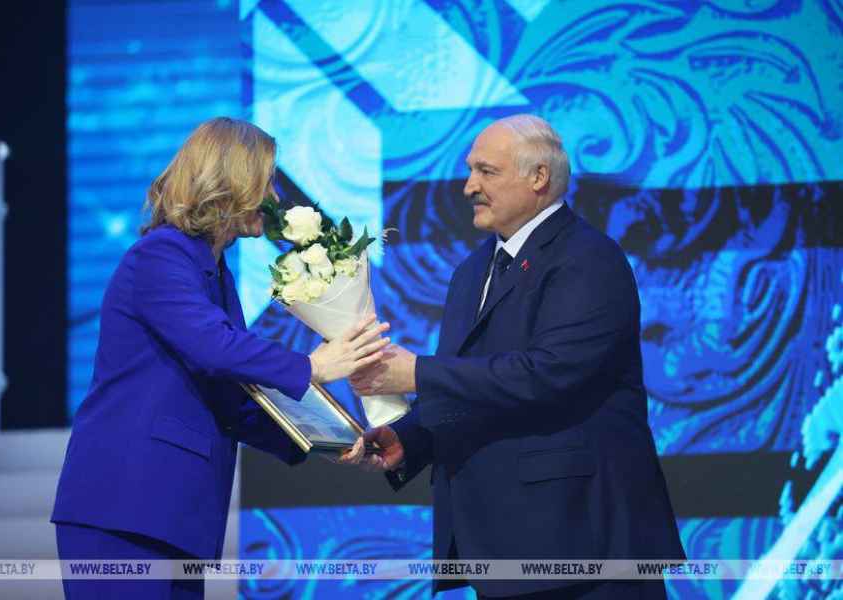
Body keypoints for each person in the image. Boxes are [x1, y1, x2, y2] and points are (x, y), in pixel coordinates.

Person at [347, 114, 686, 599]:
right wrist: (411, 438)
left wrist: (417, 372)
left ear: (539, 177)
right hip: (504, 546)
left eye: (486, 171)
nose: (469, 186)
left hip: (582, 541)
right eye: (470, 171)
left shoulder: (588, 258)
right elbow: (471, 382)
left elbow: (549, 373)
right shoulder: (471, 271)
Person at [50, 117, 389, 599]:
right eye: (266, 181)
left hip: (176, 516)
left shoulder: (215, 273)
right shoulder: (160, 255)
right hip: (125, 505)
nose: (274, 196)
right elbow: (214, 348)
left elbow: (234, 400)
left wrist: (331, 440)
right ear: (232, 182)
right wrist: (313, 366)